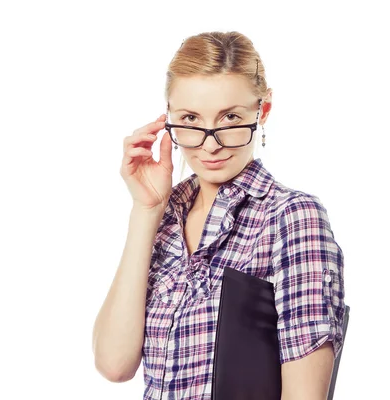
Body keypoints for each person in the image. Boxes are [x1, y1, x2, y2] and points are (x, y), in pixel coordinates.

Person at [92, 31, 346, 399]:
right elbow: (114, 364)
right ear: (168, 118)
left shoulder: (291, 217)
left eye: (230, 117)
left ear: (263, 111)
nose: (210, 143)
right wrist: (145, 212)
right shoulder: (165, 218)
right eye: (190, 119)